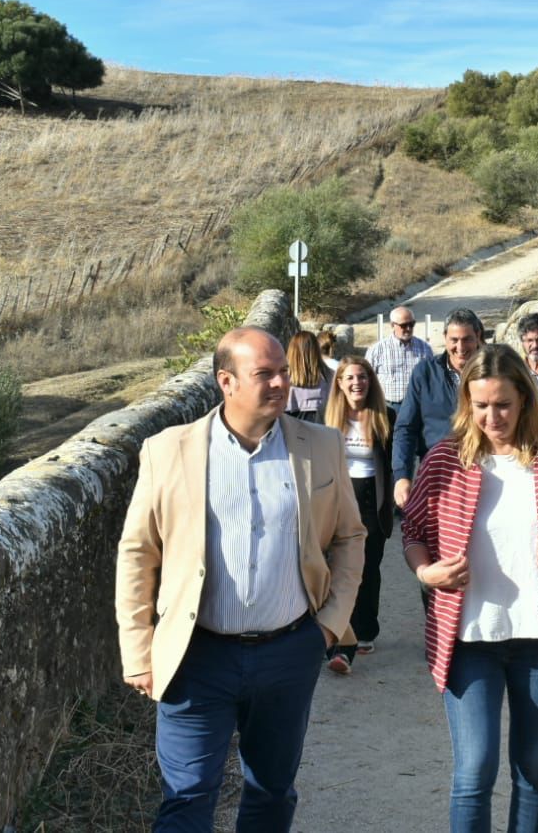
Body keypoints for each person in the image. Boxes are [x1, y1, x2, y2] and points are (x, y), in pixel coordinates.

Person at [115, 327, 366, 832]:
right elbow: (139, 552)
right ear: (226, 381)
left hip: (287, 652)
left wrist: (329, 624)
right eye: (264, 374)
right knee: (187, 798)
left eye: (284, 372)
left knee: (272, 791)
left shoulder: (321, 445)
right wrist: (139, 650)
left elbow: (349, 537)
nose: (281, 383)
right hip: (195, 656)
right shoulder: (168, 451)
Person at [401, 345, 538, 833]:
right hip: (467, 639)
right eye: (480, 406)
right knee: (474, 773)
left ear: (524, 398)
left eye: (502, 405)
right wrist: (425, 572)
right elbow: (412, 529)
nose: (491, 417)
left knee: (534, 771)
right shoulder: (444, 458)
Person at [321, 356, 396, 674]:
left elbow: (396, 462)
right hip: (338, 498)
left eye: (363, 377)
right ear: (339, 383)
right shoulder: (326, 419)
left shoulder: (385, 417)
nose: (357, 383)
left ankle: (365, 630)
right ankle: (338, 635)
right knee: (336, 569)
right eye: (350, 378)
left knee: (367, 569)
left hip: (371, 498)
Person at [390, 307, 482, 510]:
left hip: (486, 473)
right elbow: (406, 427)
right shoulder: (425, 373)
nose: (460, 347)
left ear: (478, 337)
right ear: (445, 338)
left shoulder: (494, 370)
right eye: (454, 340)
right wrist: (402, 476)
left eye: (467, 339)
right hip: (438, 475)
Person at [365, 305, 434, 408]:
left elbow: (432, 379)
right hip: (388, 407)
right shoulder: (376, 350)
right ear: (392, 325)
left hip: (417, 407)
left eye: (411, 324)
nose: (409, 328)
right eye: (404, 325)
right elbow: (367, 379)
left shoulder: (425, 349)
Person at [285, 329, 331, 422]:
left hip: (291, 428)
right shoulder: (330, 376)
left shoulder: (284, 379)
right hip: (322, 428)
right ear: (316, 350)